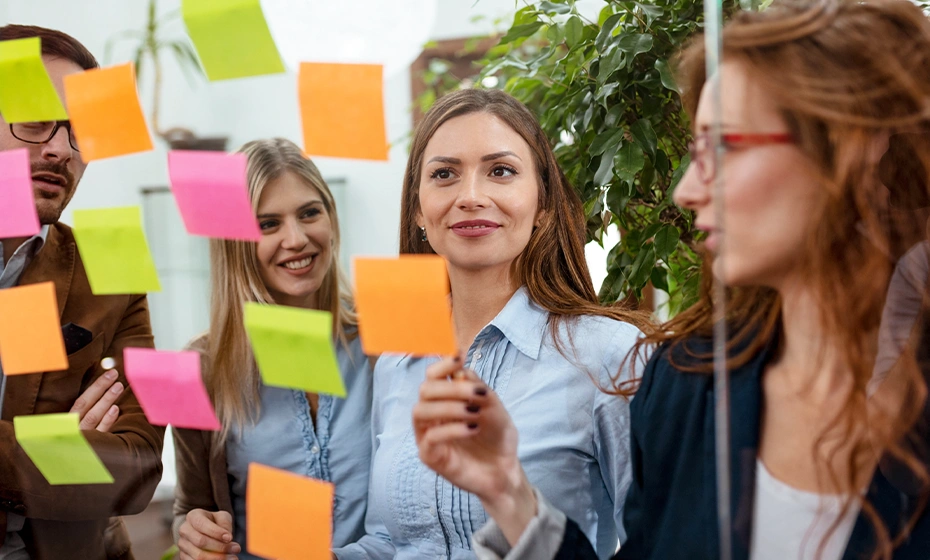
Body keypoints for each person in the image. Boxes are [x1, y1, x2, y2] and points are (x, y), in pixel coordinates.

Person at [413, 1, 930, 559]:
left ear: (854, 142)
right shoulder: (687, 384)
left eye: (725, 146)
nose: (687, 191)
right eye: (695, 152)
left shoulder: (618, 357)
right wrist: (508, 492)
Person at [335, 88, 649, 560]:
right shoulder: (396, 361)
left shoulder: (611, 354)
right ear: (418, 209)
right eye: (444, 174)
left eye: (500, 171)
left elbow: (658, 542)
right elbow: (389, 543)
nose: (470, 197)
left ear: (543, 204)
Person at [0, 24, 164, 560]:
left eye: (79, 131)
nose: (60, 150)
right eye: (34, 119)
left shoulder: (111, 267)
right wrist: (60, 451)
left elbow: (139, 466)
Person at [172, 138, 374, 560]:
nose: (296, 238)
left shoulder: (383, 339)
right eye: (268, 224)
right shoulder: (201, 369)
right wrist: (193, 534)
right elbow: (191, 507)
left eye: (309, 213)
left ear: (331, 217)